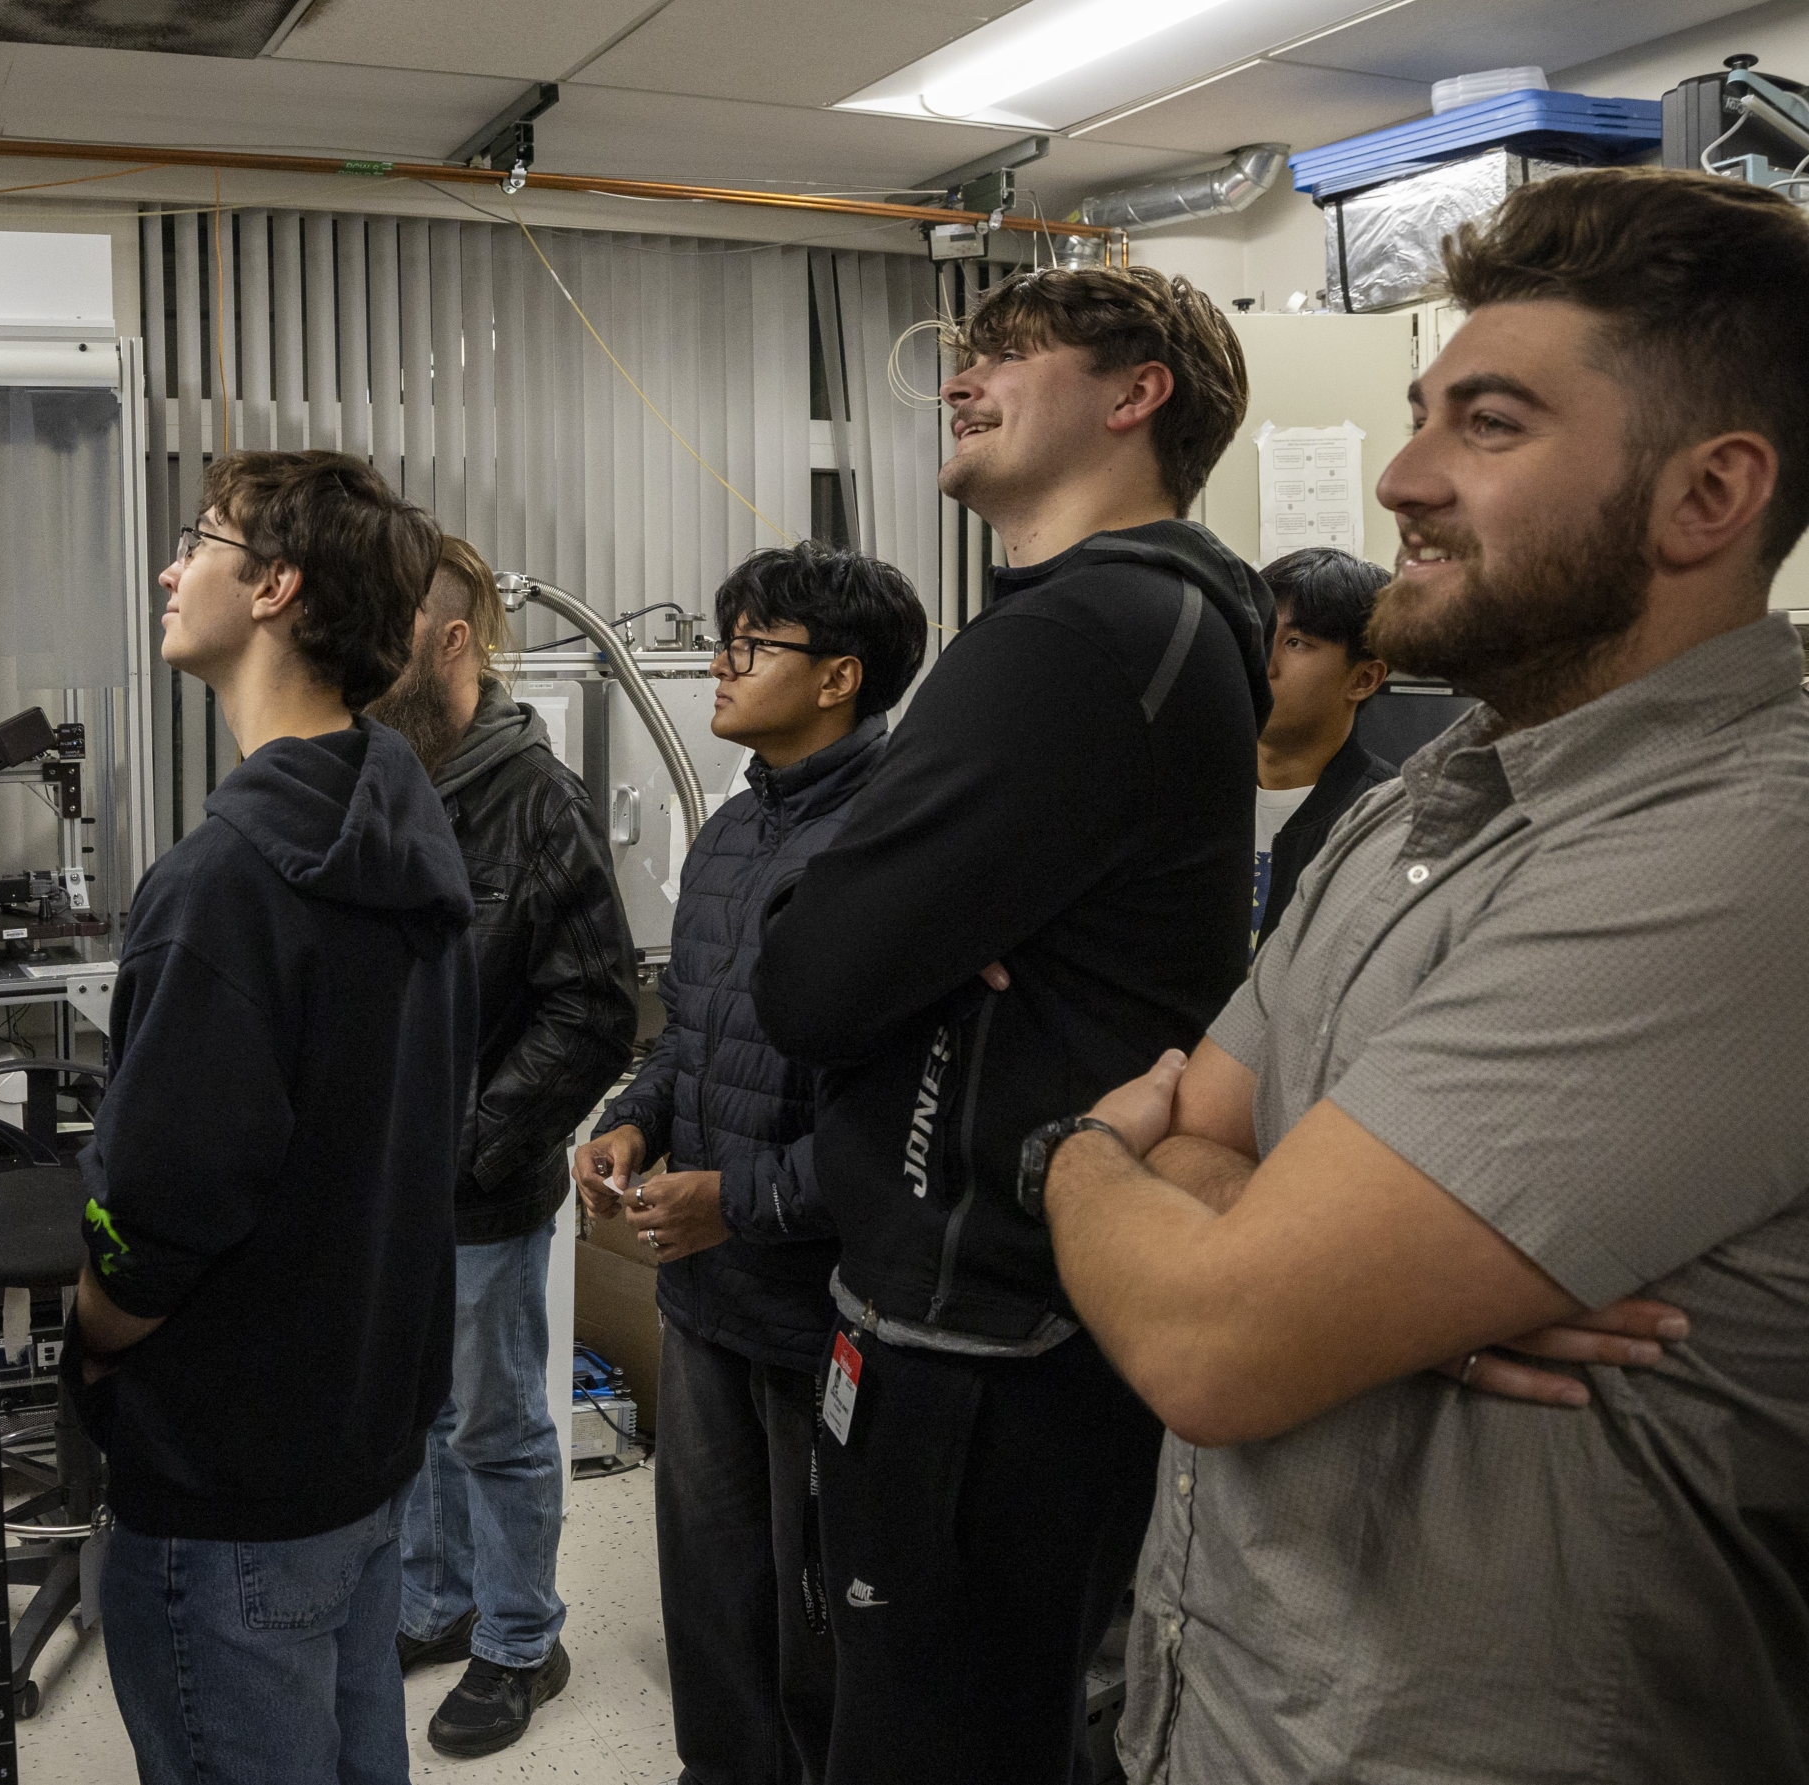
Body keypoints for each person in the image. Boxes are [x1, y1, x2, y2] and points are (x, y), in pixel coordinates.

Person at [1037, 166, 1809, 1785]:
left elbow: (1212, 1338)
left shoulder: (1748, 856)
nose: (1402, 476)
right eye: (1421, 414)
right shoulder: (1430, 791)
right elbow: (1224, 1138)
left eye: (1494, 424)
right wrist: (1342, 1283)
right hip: (1227, 1701)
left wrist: (1079, 1159)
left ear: (1708, 495)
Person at [749, 267, 1269, 1781]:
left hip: (978, 1316)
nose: (959, 380)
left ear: (1136, 395)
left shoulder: (1078, 637)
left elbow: (806, 980)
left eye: (1008, 353)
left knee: (933, 1736)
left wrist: (852, 921)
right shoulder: (1156, 621)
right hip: (1029, 1294)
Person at [73, 450, 476, 1785]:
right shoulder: (407, 837)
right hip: (360, 1449)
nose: (169, 567)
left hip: (228, 1479)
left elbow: (156, 1222)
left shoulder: (224, 884)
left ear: (276, 587)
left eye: (197, 542)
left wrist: (85, 1324)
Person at [567, 545, 927, 1785]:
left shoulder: (885, 850)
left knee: (816, 1620)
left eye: (751, 644)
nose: (719, 664)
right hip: (705, 1301)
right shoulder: (731, 833)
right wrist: (634, 1120)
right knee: (711, 1597)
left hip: (818, 1309)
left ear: (840, 678)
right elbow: (697, 1027)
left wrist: (746, 1202)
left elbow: (902, 1125)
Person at [369, 536, 638, 1757]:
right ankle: (437, 1603)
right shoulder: (384, 777)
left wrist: (471, 1146)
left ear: (451, 643)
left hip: (480, 1181)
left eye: (384, 638)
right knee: (421, 1413)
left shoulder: (535, 796)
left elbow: (595, 1006)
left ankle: (523, 1638)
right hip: (390, 1187)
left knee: (496, 1422)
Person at [1251, 547, 1393, 950]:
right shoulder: (1188, 792)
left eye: (1295, 643)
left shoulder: (1386, 823)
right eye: (1259, 634)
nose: (1265, 664)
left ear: (1363, 678)